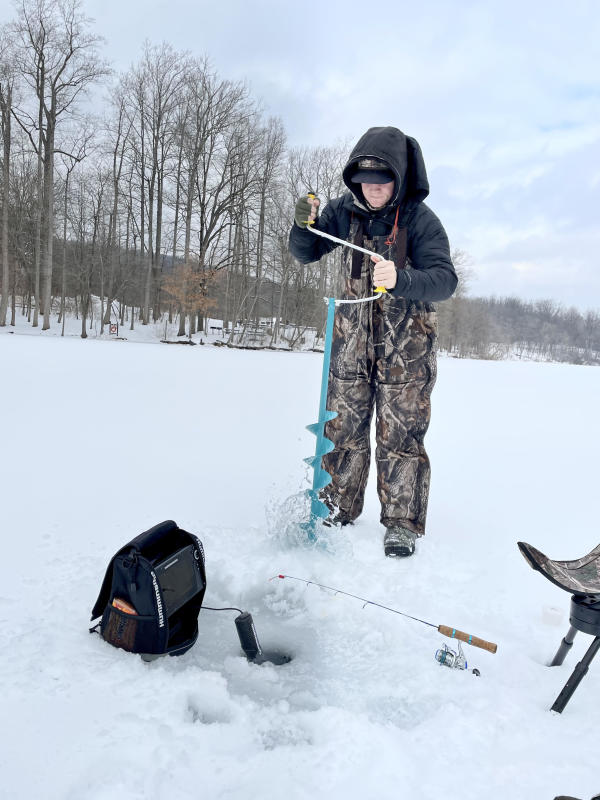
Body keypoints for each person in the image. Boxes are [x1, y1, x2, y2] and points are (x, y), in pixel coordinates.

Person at [289, 126, 457, 558]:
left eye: (382, 182)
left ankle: (401, 524)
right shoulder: (345, 211)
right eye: (365, 182)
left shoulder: (421, 220)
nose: (374, 190)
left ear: (400, 179)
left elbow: (444, 280)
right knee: (341, 429)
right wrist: (301, 224)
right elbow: (307, 251)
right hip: (350, 342)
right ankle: (337, 508)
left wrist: (403, 279)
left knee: (400, 437)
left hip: (407, 352)